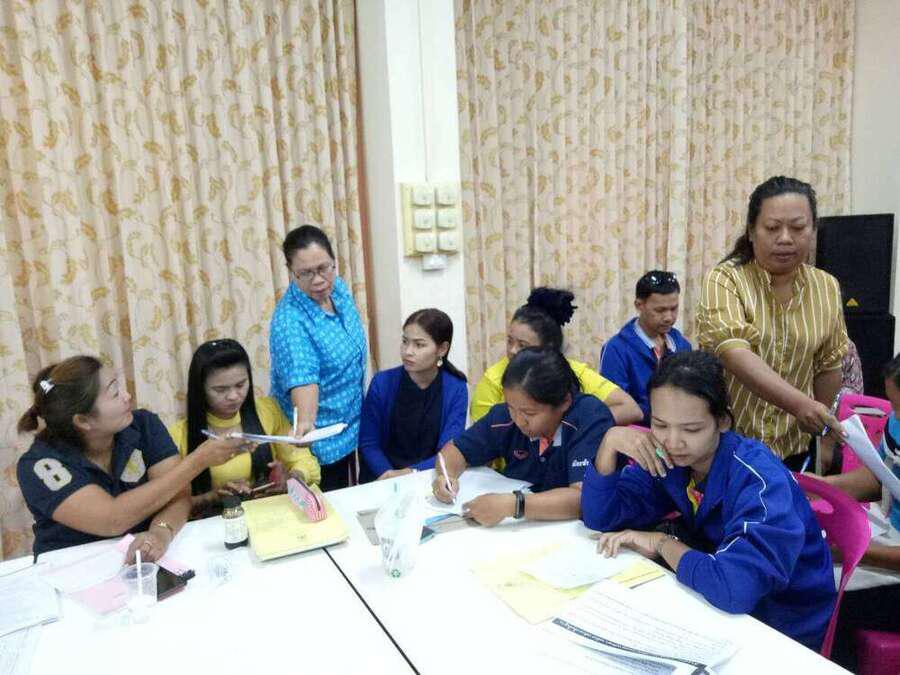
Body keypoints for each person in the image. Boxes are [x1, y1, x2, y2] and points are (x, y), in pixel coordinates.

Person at [583, 351, 836, 651]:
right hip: (717, 604)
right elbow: (602, 517)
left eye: (691, 429)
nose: (672, 441)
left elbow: (735, 588)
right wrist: (609, 442)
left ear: (723, 421)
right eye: (660, 425)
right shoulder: (672, 458)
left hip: (782, 625)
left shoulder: (759, 480)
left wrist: (661, 543)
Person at [16, 356, 243, 560]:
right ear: (83, 421)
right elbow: (112, 519)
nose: (127, 396)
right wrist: (198, 460)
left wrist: (160, 533)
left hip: (143, 558)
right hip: (72, 566)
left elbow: (178, 494)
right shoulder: (40, 465)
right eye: (115, 393)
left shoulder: (143, 425)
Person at [696, 176, 848, 467]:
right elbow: (734, 353)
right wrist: (800, 405)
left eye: (798, 227)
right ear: (751, 231)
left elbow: (828, 366)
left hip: (795, 448)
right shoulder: (726, 279)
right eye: (773, 228)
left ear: (813, 230)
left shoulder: (826, 286)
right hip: (729, 447)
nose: (785, 238)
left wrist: (826, 441)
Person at [432, 347, 615, 525]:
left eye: (529, 413)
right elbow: (455, 450)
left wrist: (513, 505)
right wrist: (446, 477)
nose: (519, 421)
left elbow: (582, 499)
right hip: (521, 530)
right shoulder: (505, 417)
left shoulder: (589, 417)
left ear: (564, 402)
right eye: (511, 408)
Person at [169, 339, 320, 514]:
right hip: (212, 523)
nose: (234, 396)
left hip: (268, 516)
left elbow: (305, 462)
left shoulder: (267, 411)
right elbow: (168, 503)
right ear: (200, 389)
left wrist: (291, 479)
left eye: (240, 385)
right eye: (220, 390)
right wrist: (212, 497)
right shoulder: (178, 435)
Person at [817, 352, 900, 671]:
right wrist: (822, 486)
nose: (895, 416)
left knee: (826, 597)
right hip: (889, 532)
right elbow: (881, 477)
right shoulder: (897, 421)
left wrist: (853, 553)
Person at [269, 225, 368, 490]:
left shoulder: (338, 289)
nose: (318, 280)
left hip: (350, 428)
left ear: (334, 262)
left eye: (324, 268)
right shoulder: (290, 322)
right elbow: (303, 378)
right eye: (305, 273)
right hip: (318, 448)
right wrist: (305, 423)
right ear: (291, 272)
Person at [470, 287, 641, 426]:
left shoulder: (573, 372)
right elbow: (482, 437)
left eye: (522, 345)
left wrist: (574, 426)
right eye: (509, 341)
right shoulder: (493, 379)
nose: (512, 351)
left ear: (548, 349)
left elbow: (630, 409)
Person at [359, 309, 468, 483]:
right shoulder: (382, 382)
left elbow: (449, 450)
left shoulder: (456, 388)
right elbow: (368, 442)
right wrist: (388, 475)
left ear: (442, 349)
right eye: (405, 342)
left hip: (429, 477)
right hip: (382, 477)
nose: (408, 351)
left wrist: (411, 473)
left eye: (419, 345)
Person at [599, 271, 692, 425]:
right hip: (635, 432)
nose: (669, 317)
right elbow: (617, 406)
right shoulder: (616, 349)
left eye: (674, 308)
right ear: (639, 305)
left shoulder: (682, 345)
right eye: (660, 310)